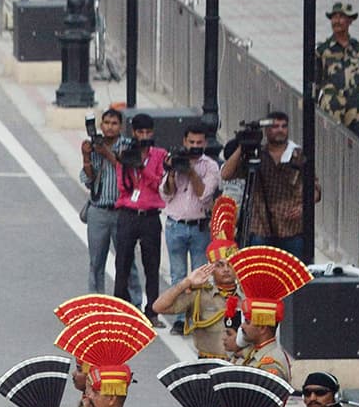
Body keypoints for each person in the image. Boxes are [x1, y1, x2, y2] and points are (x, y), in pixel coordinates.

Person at [218, 112, 319, 258]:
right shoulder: (257, 154)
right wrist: (242, 146)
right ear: (266, 130)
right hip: (261, 228)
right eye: (275, 126)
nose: (280, 130)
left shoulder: (298, 155)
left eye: (284, 126)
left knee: (295, 276)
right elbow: (226, 174)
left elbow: (315, 188)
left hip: (292, 229)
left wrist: (304, 206)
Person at [158, 120, 221, 324]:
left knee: (200, 275)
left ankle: (196, 318)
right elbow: (166, 194)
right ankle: (179, 319)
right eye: (191, 142)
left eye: (199, 143)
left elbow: (204, 195)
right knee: (178, 275)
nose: (194, 146)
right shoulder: (175, 160)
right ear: (184, 141)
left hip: (199, 227)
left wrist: (192, 172)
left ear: (204, 143)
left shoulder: (210, 166)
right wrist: (172, 171)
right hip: (175, 225)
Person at [113, 113, 167, 323]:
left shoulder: (160, 155)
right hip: (128, 213)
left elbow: (158, 184)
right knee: (123, 262)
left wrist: (142, 168)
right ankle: (120, 307)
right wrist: (129, 164)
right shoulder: (126, 155)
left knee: (151, 265)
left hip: (151, 215)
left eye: (148, 132)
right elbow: (122, 186)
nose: (144, 136)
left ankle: (152, 311)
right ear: (134, 133)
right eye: (140, 132)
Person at [314, 1, 359, 134]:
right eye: (334, 17)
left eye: (341, 17)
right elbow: (316, 81)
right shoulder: (323, 50)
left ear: (349, 21)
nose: (337, 21)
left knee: (351, 146)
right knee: (329, 141)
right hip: (331, 105)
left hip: (354, 106)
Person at [80, 109, 123, 294]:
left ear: (120, 126)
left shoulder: (127, 146)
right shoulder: (95, 146)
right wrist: (86, 157)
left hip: (122, 211)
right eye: (106, 123)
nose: (110, 127)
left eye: (114, 123)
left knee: (125, 262)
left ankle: (131, 303)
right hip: (98, 210)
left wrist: (107, 153)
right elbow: (90, 180)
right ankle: (96, 303)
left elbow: (128, 172)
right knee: (96, 263)